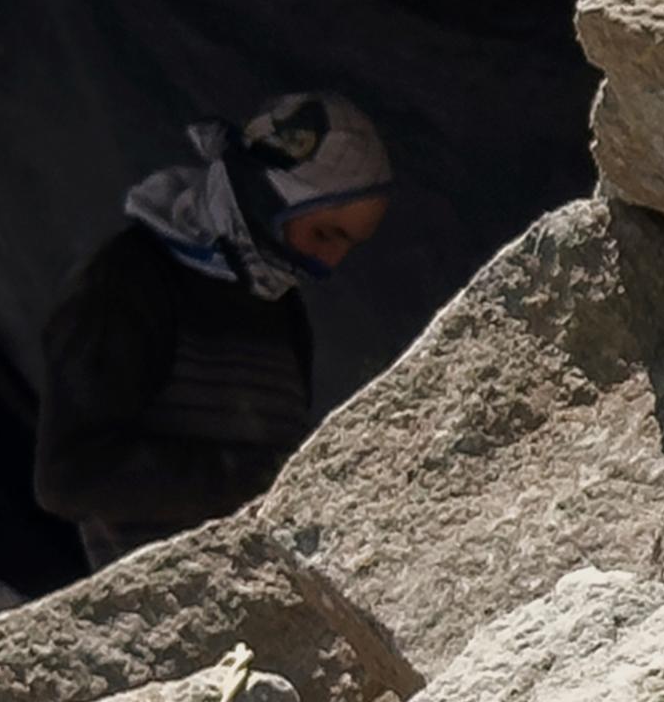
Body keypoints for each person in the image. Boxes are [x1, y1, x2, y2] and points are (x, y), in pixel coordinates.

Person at [32, 90, 396, 561]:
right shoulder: (130, 280)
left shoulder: (280, 308)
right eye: (323, 234)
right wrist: (268, 479)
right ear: (265, 196)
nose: (326, 263)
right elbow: (70, 475)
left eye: (347, 245)